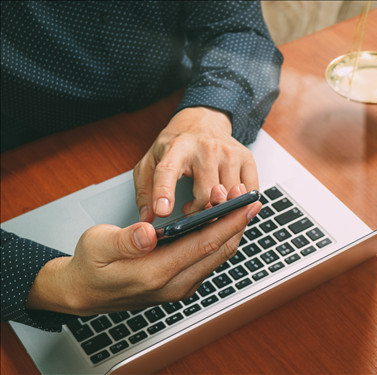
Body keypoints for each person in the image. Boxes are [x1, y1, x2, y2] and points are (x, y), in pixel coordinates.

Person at [0, 1, 283, 332]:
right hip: (26, 163)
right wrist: (55, 285)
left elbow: (238, 29)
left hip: (174, 107)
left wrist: (209, 111)